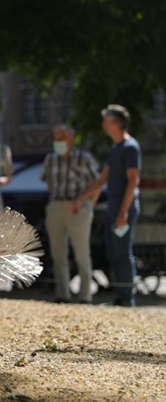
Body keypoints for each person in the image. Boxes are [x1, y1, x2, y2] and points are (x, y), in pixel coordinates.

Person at [71, 104, 141, 307]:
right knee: (113, 252)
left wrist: (123, 212)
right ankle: (121, 296)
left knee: (123, 251)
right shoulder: (116, 148)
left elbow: (133, 180)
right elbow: (103, 179)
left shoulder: (130, 147)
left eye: (105, 121)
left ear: (114, 124)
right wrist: (81, 198)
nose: (103, 125)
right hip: (115, 208)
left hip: (123, 209)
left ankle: (127, 298)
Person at [41, 125, 99, 304]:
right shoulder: (50, 159)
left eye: (62, 138)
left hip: (78, 207)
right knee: (58, 253)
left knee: (82, 253)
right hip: (56, 206)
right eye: (55, 139)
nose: (58, 142)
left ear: (71, 139)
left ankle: (85, 295)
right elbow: (49, 183)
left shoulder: (84, 158)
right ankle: (62, 294)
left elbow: (96, 184)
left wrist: (88, 206)